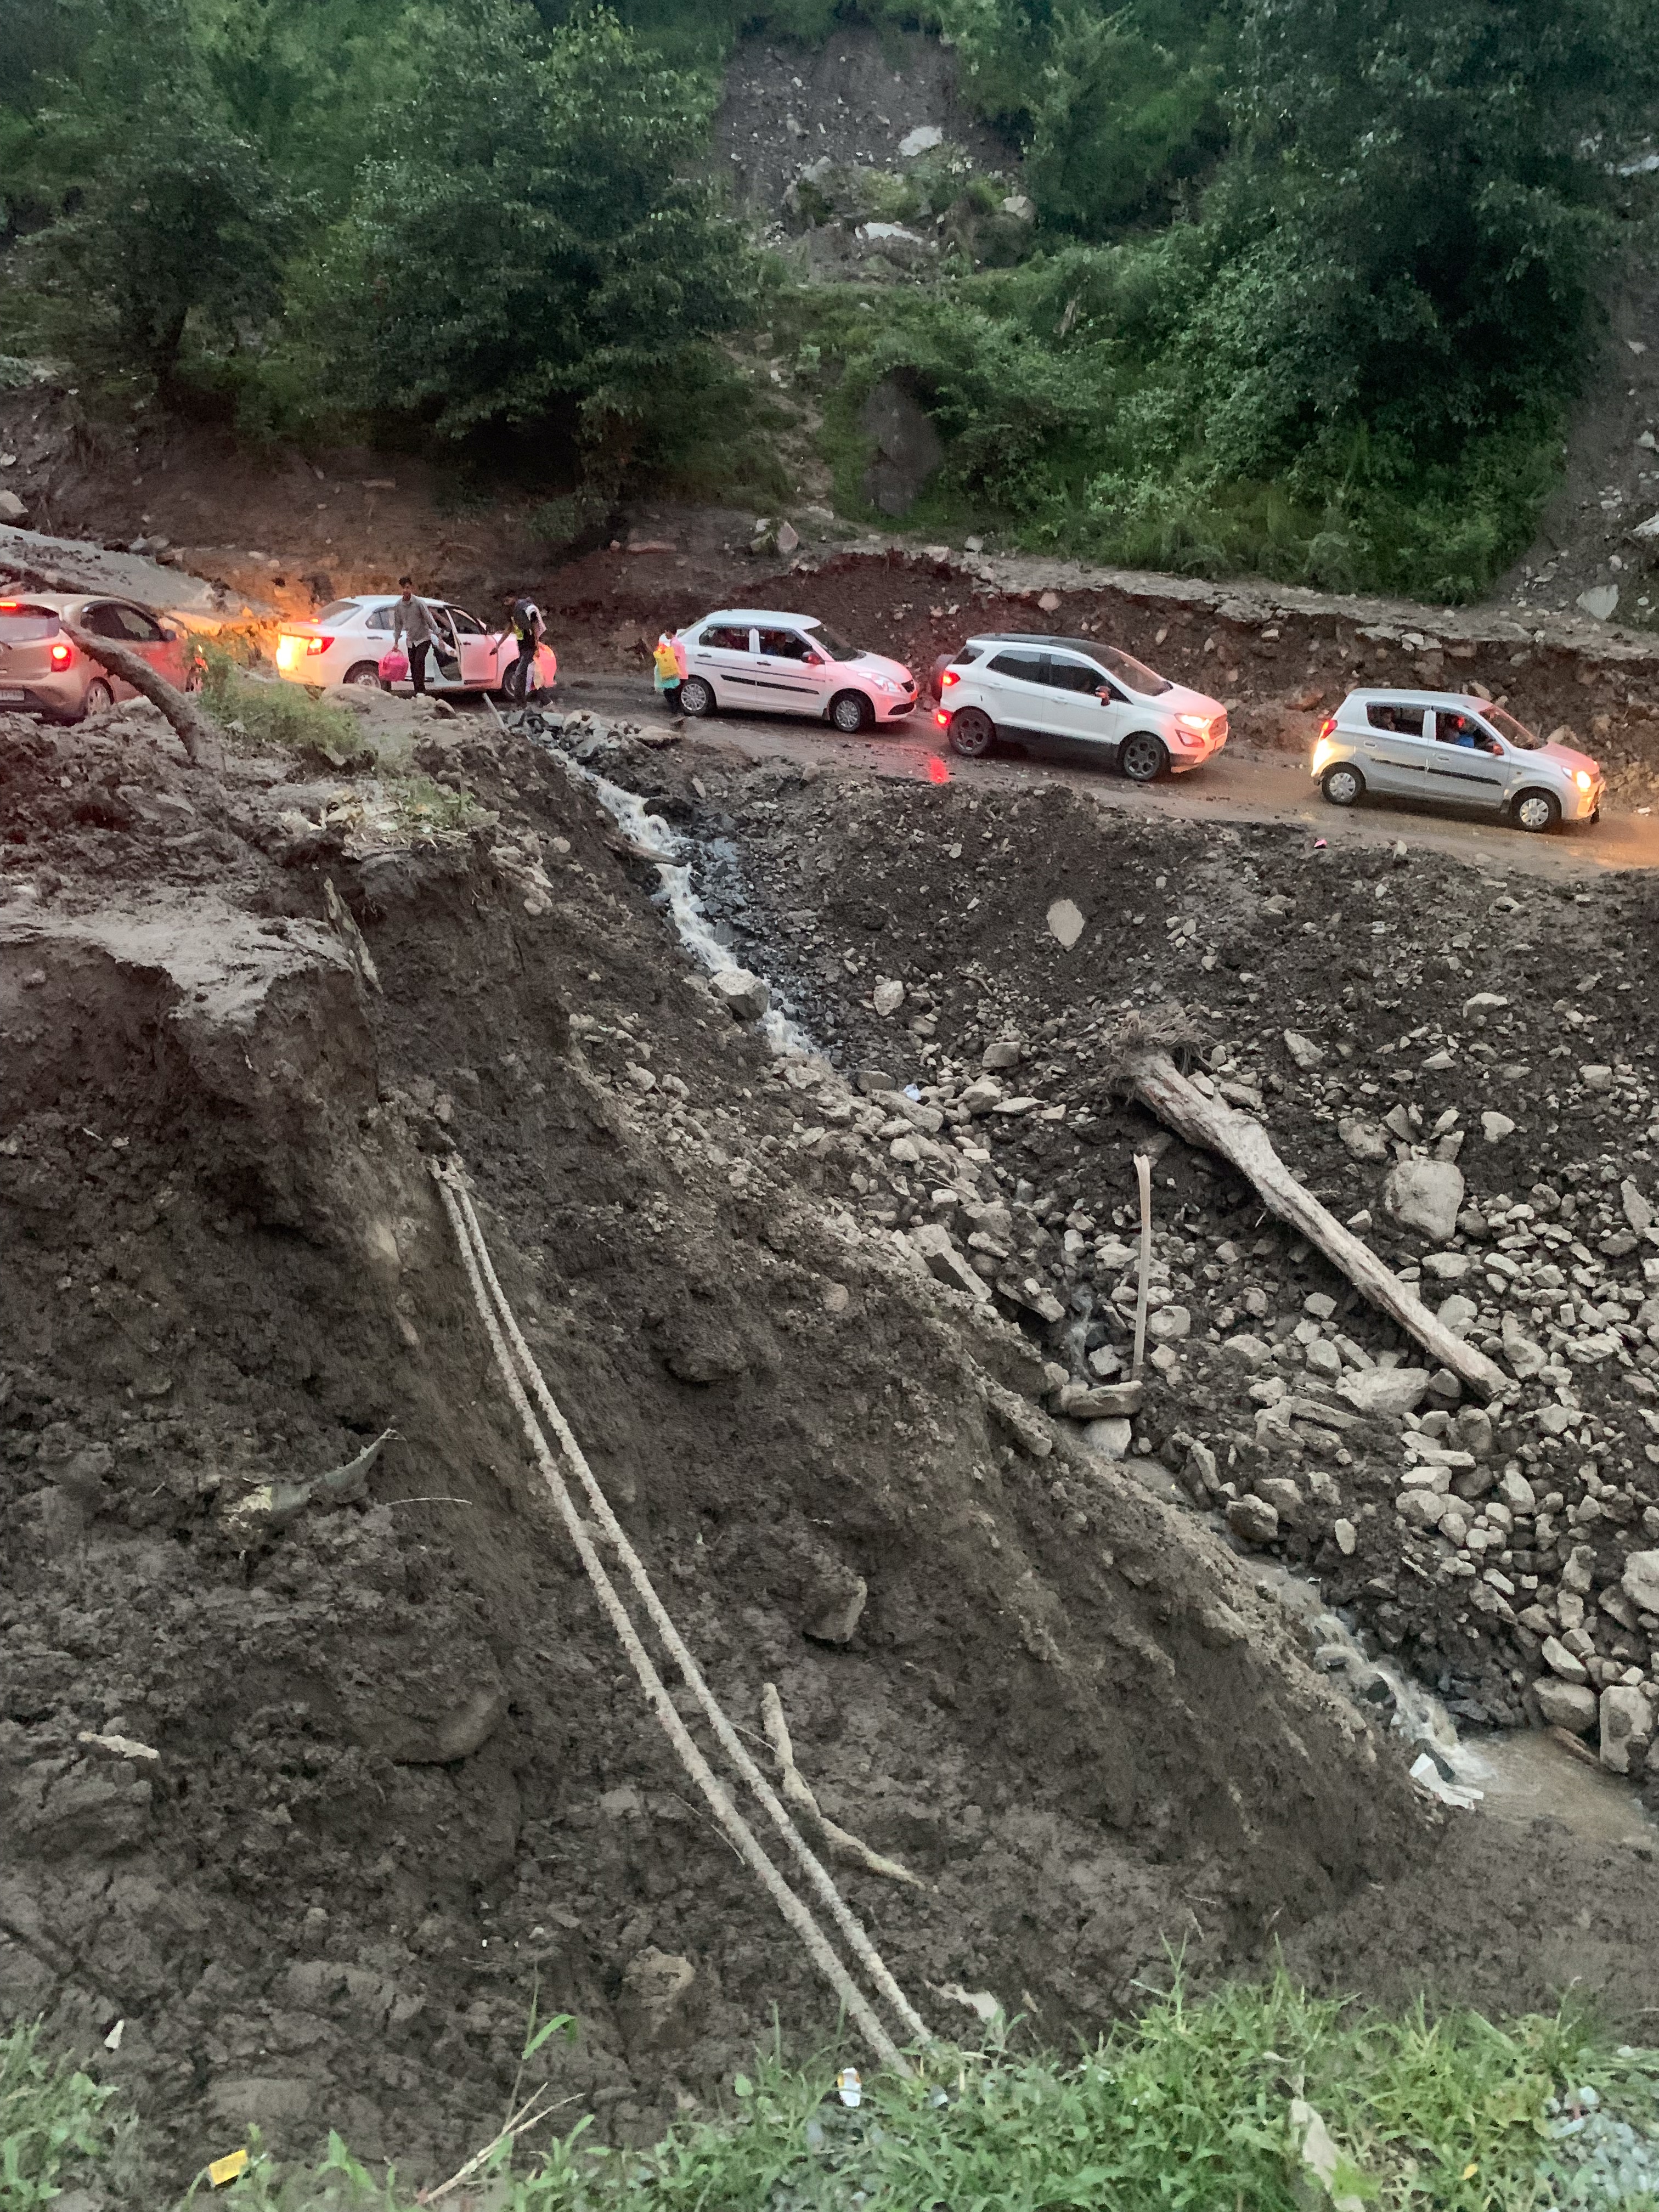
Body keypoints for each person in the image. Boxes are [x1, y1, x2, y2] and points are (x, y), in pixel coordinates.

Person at [392, 577, 447, 696]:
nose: (405, 591)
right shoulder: (399, 605)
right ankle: (417, 691)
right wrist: (396, 642)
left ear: (411, 588)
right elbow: (398, 624)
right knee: (413, 665)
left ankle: (421, 691)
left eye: (407, 588)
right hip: (411, 640)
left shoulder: (419, 603)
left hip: (423, 638)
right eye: (403, 588)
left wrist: (440, 638)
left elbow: (430, 619)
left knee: (419, 661)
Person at [504, 594, 545, 708]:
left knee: (521, 673)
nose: (506, 603)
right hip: (522, 646)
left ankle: (521, 704)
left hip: (530, 645)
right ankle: (544, 700)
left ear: (514, 598)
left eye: (508, 600)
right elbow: (509, 629)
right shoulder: (513, 613)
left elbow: (535, 625)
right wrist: (497, 646)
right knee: (530, 673)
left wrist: (536, 644)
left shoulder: (523, 609)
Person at [652, 630, 685, 712]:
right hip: (674, 670)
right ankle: (675, 709)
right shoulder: (675, 641)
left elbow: (674, 657)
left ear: (670, 632)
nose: (665, 633)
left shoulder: (673, 643)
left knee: (669, 691)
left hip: (671, 670)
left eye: (666, 631)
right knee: (673, 690)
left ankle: (675, 709)